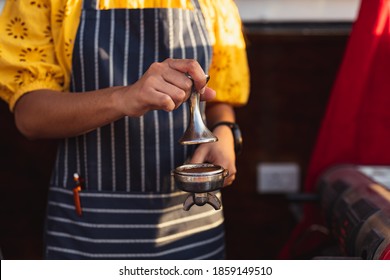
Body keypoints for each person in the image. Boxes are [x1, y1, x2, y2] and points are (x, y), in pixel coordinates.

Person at [0, 0, 249, 259]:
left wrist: (225, 130)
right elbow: (30, 117)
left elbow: (219, 96)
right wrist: (124, 98)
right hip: (89, 223)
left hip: (194, 215)